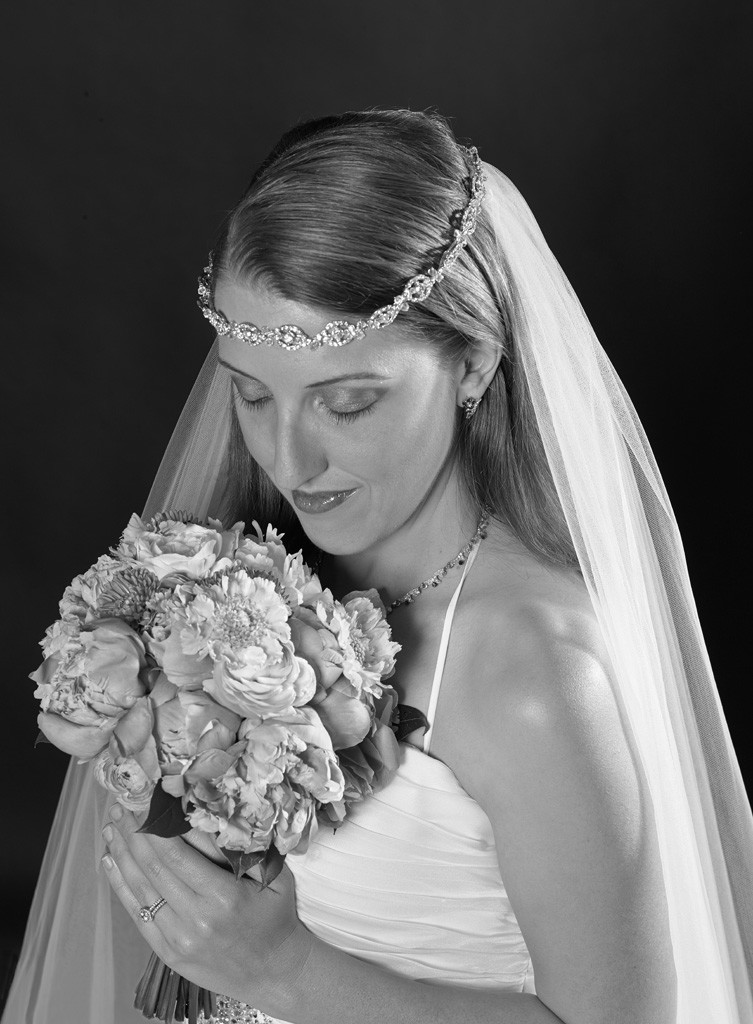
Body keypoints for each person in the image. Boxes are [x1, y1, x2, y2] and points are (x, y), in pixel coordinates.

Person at [4, 107, 752, 1024]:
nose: (289, 459)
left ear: (473, 366)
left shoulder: (535, 674)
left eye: (347, 403)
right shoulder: (236, 597)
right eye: (249, 394)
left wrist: (287, 973)